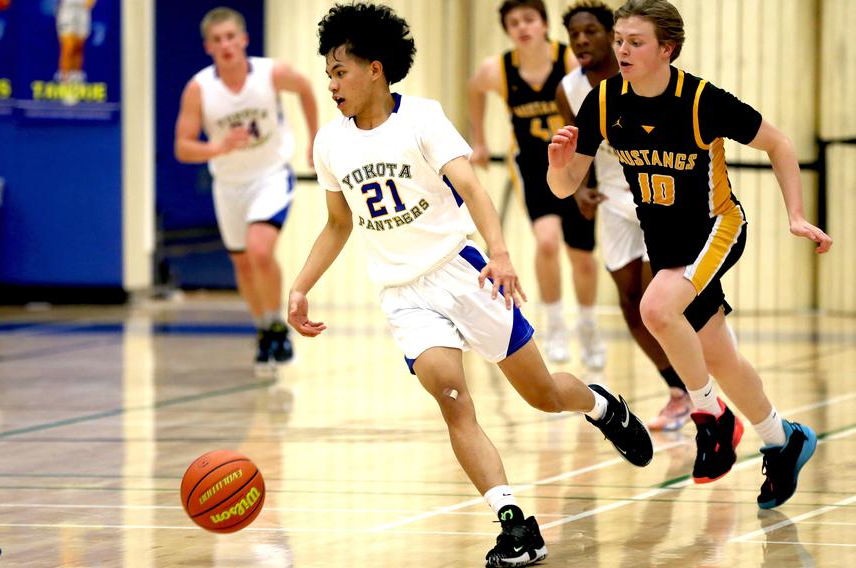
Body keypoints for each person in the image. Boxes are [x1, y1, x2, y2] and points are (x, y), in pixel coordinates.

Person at [290, 4, 653, 566]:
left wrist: (502, 255)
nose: (331, 84)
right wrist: (301, 285)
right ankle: (515, 525)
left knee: (544, 396)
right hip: (403, 294)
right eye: (328, 73)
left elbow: (475, 190)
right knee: (452, 395)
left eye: (340, 72)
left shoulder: (423, 119)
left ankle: (603, 407)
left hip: (464, 272)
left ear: (375, 70)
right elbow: (339, 224)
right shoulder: (330, 144)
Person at [546, 0, 831, 508]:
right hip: (666, 242)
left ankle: (711, 417)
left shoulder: (701, 100)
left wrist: (795, 214)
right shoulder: (605, 101)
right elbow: (565, 188)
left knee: (655, 308)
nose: (622, 50)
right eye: (620, 40)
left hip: (717, 228)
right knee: (719, 355)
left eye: (635, 42)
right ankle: (781, 440)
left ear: (666, 49)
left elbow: (780, 143)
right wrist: (557, 164)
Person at [556, 1, 690, 431]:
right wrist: (579, 187)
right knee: (630, 302)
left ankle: (705, 384)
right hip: (613, 203)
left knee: (660, 303)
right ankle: (679, 391)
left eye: (591, 32)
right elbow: (578, 150)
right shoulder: (570, 90)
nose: (581, 41)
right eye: (574, 34)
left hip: (660, 203)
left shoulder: (643, 79)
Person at [175, 7, 318, 364]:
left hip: (270, 175)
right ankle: (264, 327)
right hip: (228, 184)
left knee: (260, 250)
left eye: (230, 37)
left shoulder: (272, 73)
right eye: (217, 39)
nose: (225, 45)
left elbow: (306, 89)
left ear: (244, 40)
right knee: (241, 264)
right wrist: (218, 147)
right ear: (208, 46)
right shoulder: (199, 89)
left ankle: (278, 326)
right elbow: (183, 147)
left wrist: (315, 139)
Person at [467, 0, 605, 369]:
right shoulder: (497, 69)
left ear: (544, 24)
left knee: (582, 256)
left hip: (576, 165)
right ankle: (556, 325)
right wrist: (479, 139)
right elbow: (474, 89)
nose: (522, 27)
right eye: (513, 22)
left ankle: (589, 327)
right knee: (545, 243)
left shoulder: (569, 62)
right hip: (532, 165)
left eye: (529, 19)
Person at [56, 0, 95, 84]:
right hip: (67, 10)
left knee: (78, 48)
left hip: (82, 10)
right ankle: (65, 82)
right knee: (68, 47)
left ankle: (75, 81)